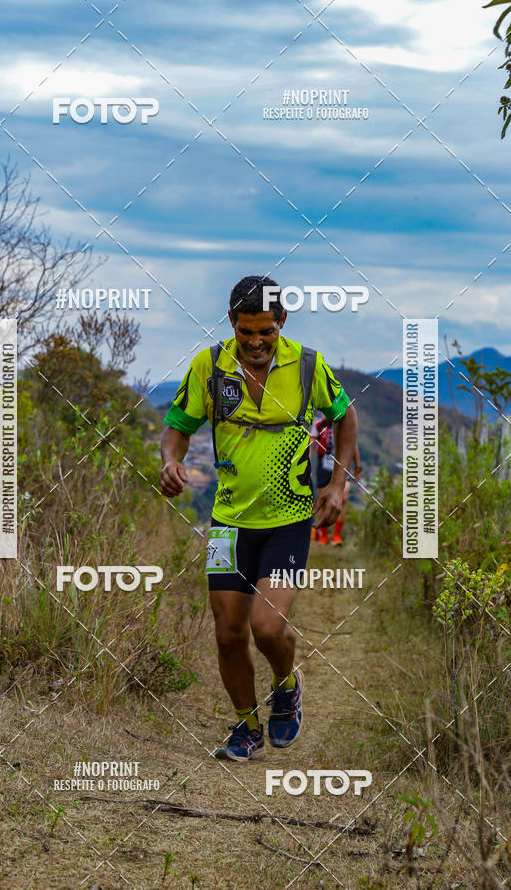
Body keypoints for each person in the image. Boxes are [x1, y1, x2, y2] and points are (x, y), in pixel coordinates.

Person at [159, 276, 358, 762]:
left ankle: (287, 687)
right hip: (228, 522)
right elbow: (177, 428)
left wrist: (338, 482)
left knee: (267, 627)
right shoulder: (209, 365)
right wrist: (169, 461)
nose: (255, 343)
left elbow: (345, 418)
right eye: (246, 332)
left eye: (265, 332)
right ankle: (246, 725)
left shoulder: (307, 364)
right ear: (232, 323)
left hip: (289, 519)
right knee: (228, 633)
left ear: (281, 322)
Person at [310, 416, 361, 545]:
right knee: (323, 501)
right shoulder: (319, 425)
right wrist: (307, 464)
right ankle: (324, 535)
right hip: (323, 467)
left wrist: (357, 467)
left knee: (343, 497)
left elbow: (353, 446)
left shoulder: (344, 422)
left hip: (342, 467)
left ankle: (336, 535)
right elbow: (311, 444)